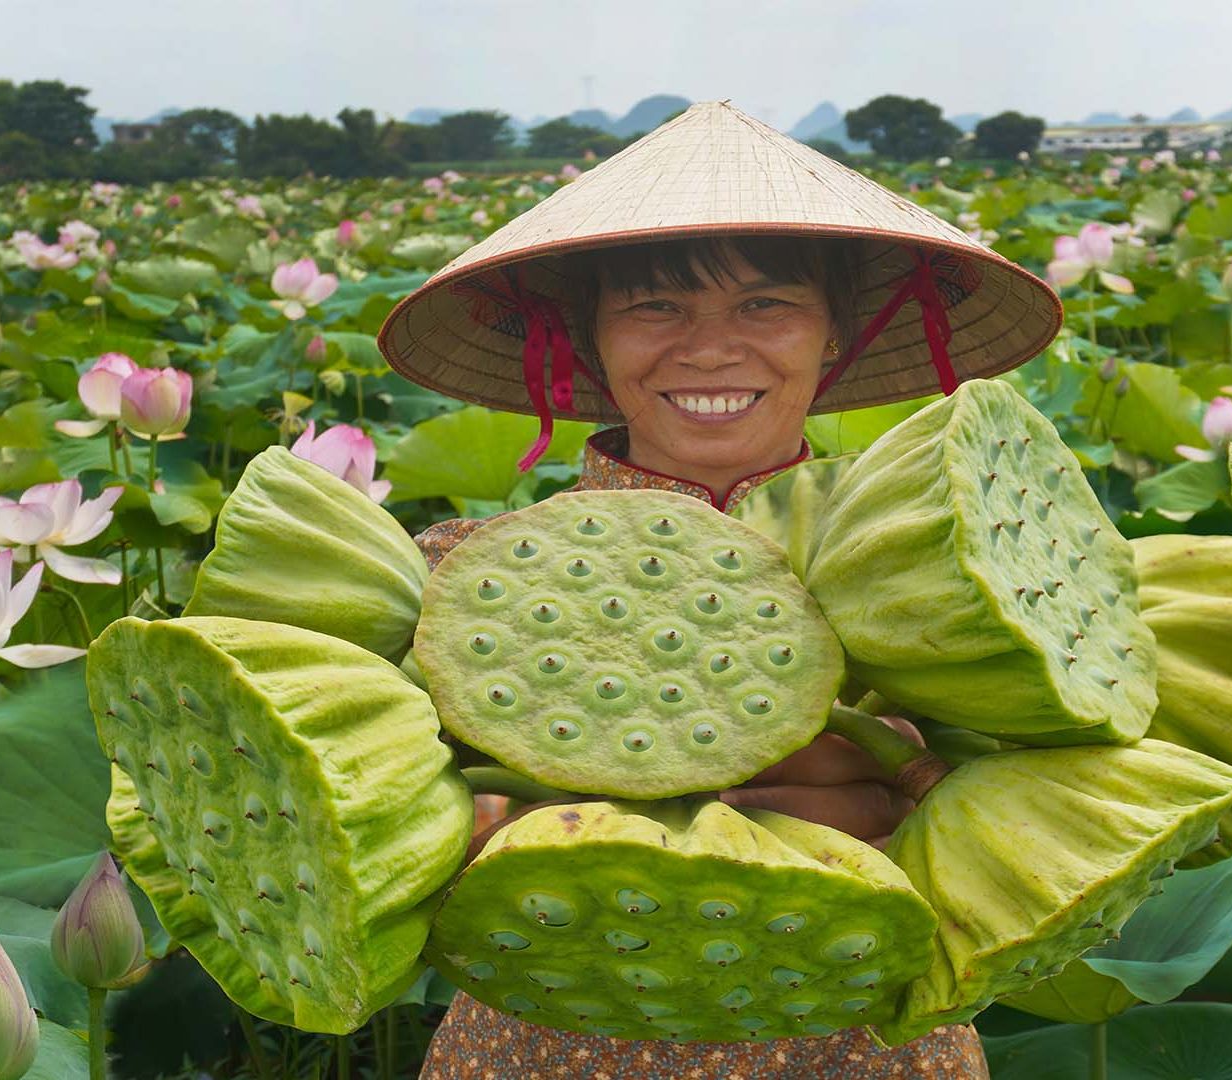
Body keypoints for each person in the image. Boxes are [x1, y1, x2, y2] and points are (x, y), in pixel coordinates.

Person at [378, 101, 1060, 1079]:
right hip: (541, 1054)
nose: (707, 349)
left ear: (835, 336)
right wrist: (492, 833)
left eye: (765, 304)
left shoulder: (959, 577)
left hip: (869, 1056)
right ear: (590, 339)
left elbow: (1053, 841)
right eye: (654, 306)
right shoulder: (456, 583)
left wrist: (927, 798)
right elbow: (361, 838)